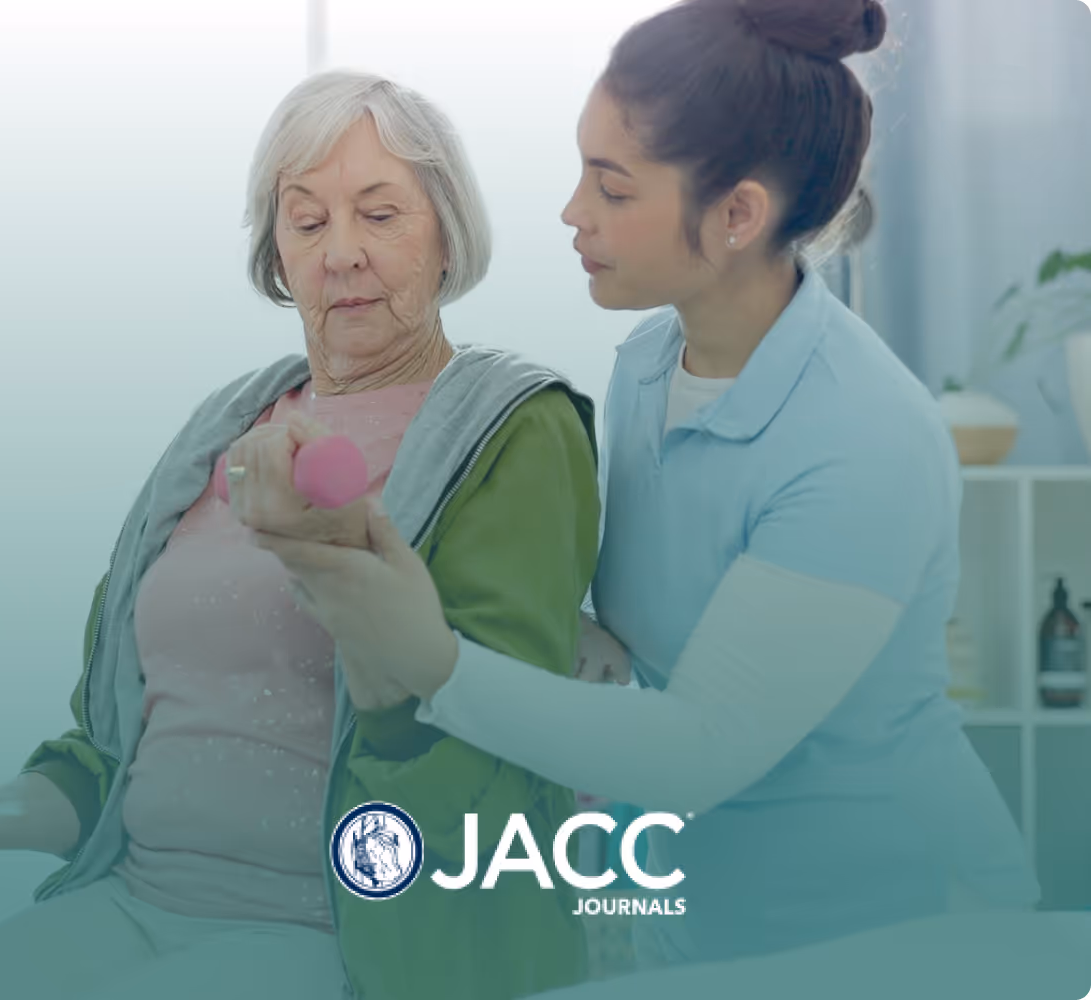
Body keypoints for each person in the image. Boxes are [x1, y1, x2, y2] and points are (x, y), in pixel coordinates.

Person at [250, 0, 1041, 972]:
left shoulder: (864, 436)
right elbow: (655, 636)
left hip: (900, 927)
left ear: (737, 215)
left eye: (613, 188)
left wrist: (436, 662)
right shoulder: (648, 366)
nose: (572, 212)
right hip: (707, 919)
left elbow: (699, 746)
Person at [0, 71, 600, 1000]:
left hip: (344, 931)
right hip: (134, 896)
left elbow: (489, 761)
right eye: (308, 221)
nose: (342, 255)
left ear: (447, 234)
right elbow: (112, 746)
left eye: (380, 215)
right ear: (276, 255)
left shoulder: (516, 426)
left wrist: (333, 564)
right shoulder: (224, 425)